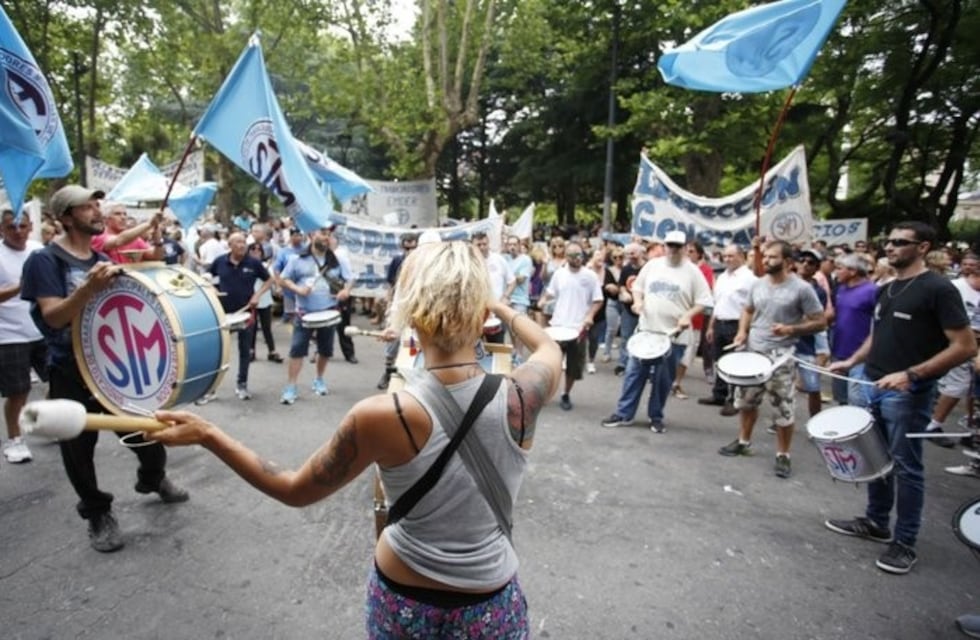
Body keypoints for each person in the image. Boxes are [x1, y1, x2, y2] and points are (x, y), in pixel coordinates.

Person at [147, 241, 562, 638]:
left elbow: (292, 489)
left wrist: (208, 434)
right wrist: (495, 305)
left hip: (403, 599)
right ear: (481, 314)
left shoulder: (381, 414)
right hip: (488, 602)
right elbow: (547, 346)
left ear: (412, 314)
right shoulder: (522, 395)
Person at [21, 185, 188, 553]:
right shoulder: (44, 261)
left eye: (98, 205)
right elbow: (53, 317)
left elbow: (145, 280)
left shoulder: (99, 254)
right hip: (70, 371)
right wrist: (88, 290)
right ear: (66, 217)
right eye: (88, 207)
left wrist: (153, 240)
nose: (98, 211)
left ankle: (152, 478)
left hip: (114, 369)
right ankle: (98, 514)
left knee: (145, 435)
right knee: (79, 451)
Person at [825, 222, 976, 574]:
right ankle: (877, 522)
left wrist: (912, 374)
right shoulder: (887, 288)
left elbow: (965, 346)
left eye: (899, 242)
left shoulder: (938, 289)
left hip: (909, 393)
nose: (889, 247)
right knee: (875, 459)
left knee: (907, 468)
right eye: (887, 241)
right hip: (874, 385)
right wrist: (853, 360)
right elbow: (878, 335)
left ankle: (904, 542)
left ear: (922, 247)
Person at [717, 240, 826, 479]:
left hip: (781, 358)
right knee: (746, 403)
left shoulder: (802, 289)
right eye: (765, 256)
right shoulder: (757, 284)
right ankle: (744, 442)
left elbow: (820, 321)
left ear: (787, 262)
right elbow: (747, 310)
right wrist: (742, 332)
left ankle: (783, 455)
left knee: (783, 410)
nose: (765, 260)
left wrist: (791, 329)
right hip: (753, 353)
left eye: (772, 257)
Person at [601, 230, 713, 433]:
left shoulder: (692, 271)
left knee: (663, 380)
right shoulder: (653, 265)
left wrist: (688, 315)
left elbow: (705, 301)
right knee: (634, 374)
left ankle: (656, 416)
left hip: (673, 336)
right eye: (670, 245)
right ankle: (624, 413)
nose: (673, 249)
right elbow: (638, 287)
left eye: (677, 246)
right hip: (646, 331)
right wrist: (638, 302)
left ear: (684, 248)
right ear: (664, 245)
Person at [279, 226, 353, 404]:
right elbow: (284, 278)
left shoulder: (337, 259)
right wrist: (298, 289)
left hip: (329, 311)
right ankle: (291, 386)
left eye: (328, 235)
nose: (326, 238)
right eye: (322, 234)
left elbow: (349, 279)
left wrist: (345, 291)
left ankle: (319, 379)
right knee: (297, 350)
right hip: (304, 313)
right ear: (311, 235)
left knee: (325, 350)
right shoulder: (297, 259)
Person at [0, 209, 46, 463]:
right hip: (9, 335)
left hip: (42, 329)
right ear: (1, 230)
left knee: (60, 384)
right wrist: (21, 285)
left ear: (30, 227)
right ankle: (15, 440)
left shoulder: (38, 249)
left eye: (22, 226)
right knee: (18, 391)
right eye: (10, 227)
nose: (17, 231)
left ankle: (37, 423)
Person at [206, 232, 274, 401]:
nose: (242, 245)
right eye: (237, 242)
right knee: (217, 351)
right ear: (229, 245)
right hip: (223, 314)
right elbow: (206, 277)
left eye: (243, 242)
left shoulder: (253, 262)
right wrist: (211, 288)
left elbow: (269, 280)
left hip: (246, 313)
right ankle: (211, 388)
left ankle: (242, 384)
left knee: (245, 350)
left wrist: (257, 295)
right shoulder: (220, 261)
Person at [537, 240, 603, 410]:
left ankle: (565, 394)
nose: (577, 258)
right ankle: (545, 393)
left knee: (574, 366)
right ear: (566, 257)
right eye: (573, 255)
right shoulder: (560, 274)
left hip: (578, 328)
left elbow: (598, 300)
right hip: (558, 325)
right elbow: (551, 292)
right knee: (552, 363)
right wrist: (544, 299)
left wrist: (589, 316)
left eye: (580, 255)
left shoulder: (590, 276)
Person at [923, 264, 980, 446]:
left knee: (971, 389)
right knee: (958, 385)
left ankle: (971, 429)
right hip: (956, 344)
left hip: (975, 346)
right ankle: (932, 425)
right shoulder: (954, 288)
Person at [699, 244, 756, 415]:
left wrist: (744, 330)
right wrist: (711, 327)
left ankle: (734, 400)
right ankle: (719, 394)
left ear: (741, 256)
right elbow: (718, 303)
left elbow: (752, 307)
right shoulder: (723, 276)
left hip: (737, 324)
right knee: (720, 361)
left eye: (731, 256)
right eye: (725, 256)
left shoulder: (750, 278)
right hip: (720, 323)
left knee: (736, 364)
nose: (727, 259)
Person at [829, 253, 876, 405]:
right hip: (839, 352)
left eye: (839, 268)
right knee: (841, 399)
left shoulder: (873, 291)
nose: (835, 272)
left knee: (857, 401)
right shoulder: (840, 289)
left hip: (861, 357)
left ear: (853, 271)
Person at [671, 241, 714, 398]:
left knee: (687, 355)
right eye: (686, 251)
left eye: (691, 251)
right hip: (672, 319)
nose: (687, 254)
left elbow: (705, 295)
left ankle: (676, 383)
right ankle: (666, 382)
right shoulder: (675, 269)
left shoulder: (705, 271)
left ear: (699, 254)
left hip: (693, 322)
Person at [90, 202, 165, 263]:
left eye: (125, 214)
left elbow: (156, 256)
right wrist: (149, 224)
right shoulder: (98, 236)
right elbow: (119, 241)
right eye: (117, 214)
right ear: (105, 218)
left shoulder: (135, 239)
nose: (123, 217)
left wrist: (158, 242)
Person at [247, 242, 283, 363]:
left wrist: (278, 288)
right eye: (253, 249)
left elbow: (273, 279)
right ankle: (251, 350)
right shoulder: (247, 265)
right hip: (251, 299)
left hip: (265, 299)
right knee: (251, 326)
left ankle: (271, 351)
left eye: (259, 249)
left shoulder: (266, 266)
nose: (256, 251)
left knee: (266, 327)